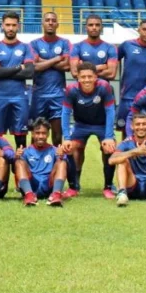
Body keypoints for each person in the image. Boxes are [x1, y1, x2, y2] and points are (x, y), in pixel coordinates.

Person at [60, 62, 117, 198]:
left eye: (89, 76)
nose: (86, 80)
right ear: (78, 78)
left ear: (95, 77)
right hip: (81, 125)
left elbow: (110, 111)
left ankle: (108, 187)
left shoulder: (104, 87)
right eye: (83, 77)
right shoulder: (71, 90)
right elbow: (65, 113)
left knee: (109, 148)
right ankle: (74, 186)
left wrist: (109, 136)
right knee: (70, 148)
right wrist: (67, 137)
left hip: (102, 125)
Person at [0, 11, 35, 146]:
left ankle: (20, 166)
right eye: (7, 25)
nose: (10, 28)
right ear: (2, 25)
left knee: (21, 137)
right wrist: (18, 68)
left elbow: (30, 72)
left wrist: (1, 70)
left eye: (13, 25)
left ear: (18, 26)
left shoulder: (26, 47)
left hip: (19, 96)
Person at [29, 11, 72, 146]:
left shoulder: (65, 43)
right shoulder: (33, 43)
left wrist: (43, 61)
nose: (50, 23)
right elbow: (34, 67)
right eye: (47, 20)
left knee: (58, 135)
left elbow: (67, 65)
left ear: (57, 24)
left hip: (58, 95)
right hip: (39, 95)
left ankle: (57, 164)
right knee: (36, 134)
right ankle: (34, 164)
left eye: (53, 20)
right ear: (42, 23)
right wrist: (57, 59)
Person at [13, 118, 67, 207]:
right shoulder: (25, 151)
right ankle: (29, 195)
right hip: (32, 184)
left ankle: (56, 195)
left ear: (48, 134)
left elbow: (63, 166)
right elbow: (17, 172)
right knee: (19, 161)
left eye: (43, 133)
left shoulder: (54, 150)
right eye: (37, 133)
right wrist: (16, 157)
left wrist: (62, 155)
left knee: (62, 162)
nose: (41, 136)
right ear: (33, 134)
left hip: (49, 184)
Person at [69, 13, 118, 81]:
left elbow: (111, 74)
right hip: (82, 90)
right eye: (91, 25)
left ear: (101, 27)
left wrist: (84, 69)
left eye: (97, 25)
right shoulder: (76, 47)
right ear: (86, 27)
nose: (94, 27)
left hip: (102, 89)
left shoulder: (110, 47)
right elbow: (74, 73)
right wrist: (100, 67)